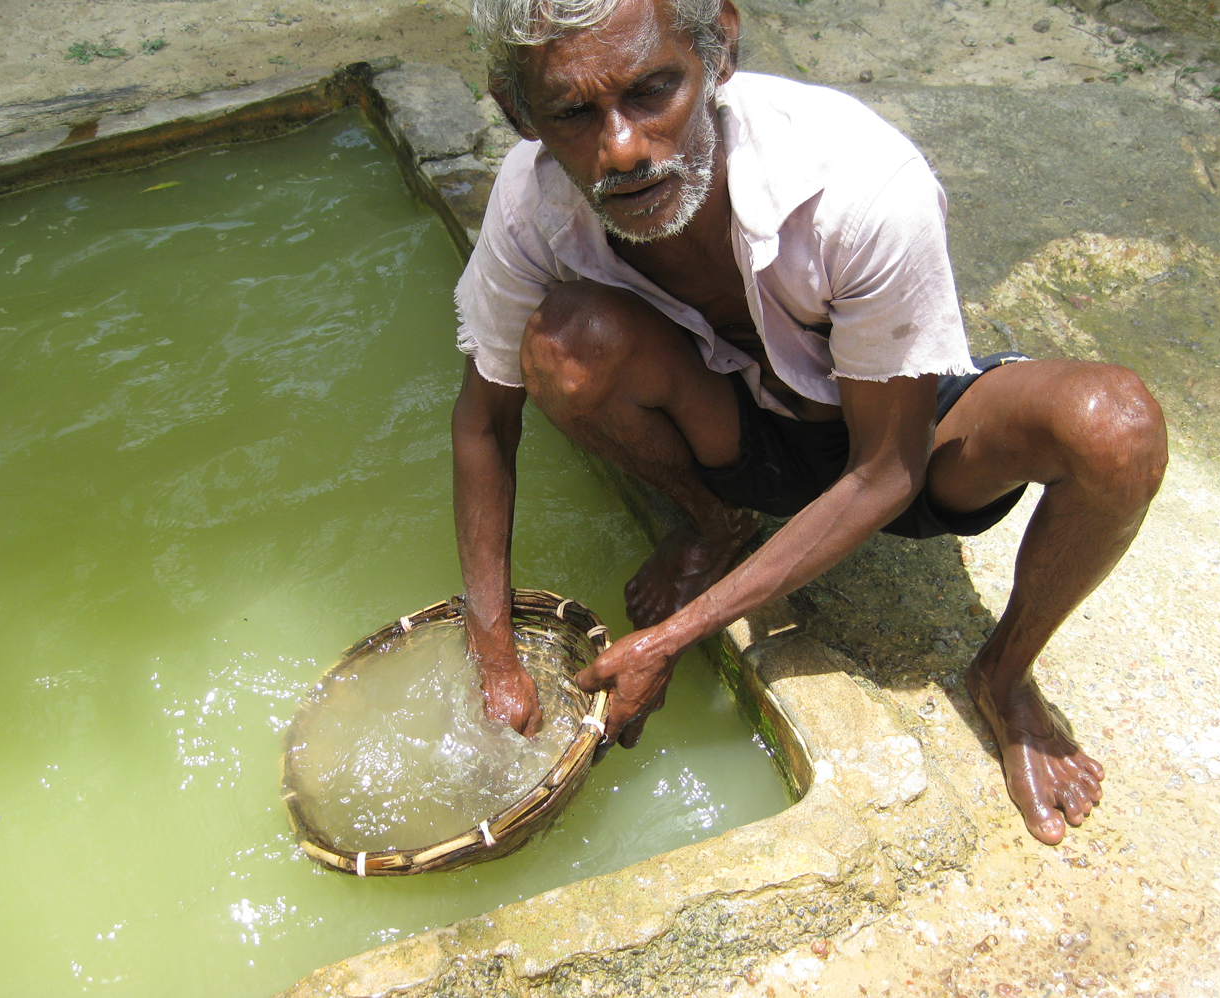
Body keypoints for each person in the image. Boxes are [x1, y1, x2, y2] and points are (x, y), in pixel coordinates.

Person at [449, 0, 1168, 845]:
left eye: (653, 91)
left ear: (718, 51)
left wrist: (673, 636)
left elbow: (887, 470)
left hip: (901, 438)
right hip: (731, 427)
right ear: (517, 112)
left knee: (1117, 431)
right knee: (564, 345)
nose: (623, 149)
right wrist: (494, 659)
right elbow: (486, 424)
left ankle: (1005, 676)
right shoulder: (531, 206)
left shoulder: (858, 181)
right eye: (573, 112)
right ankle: (717, 522)